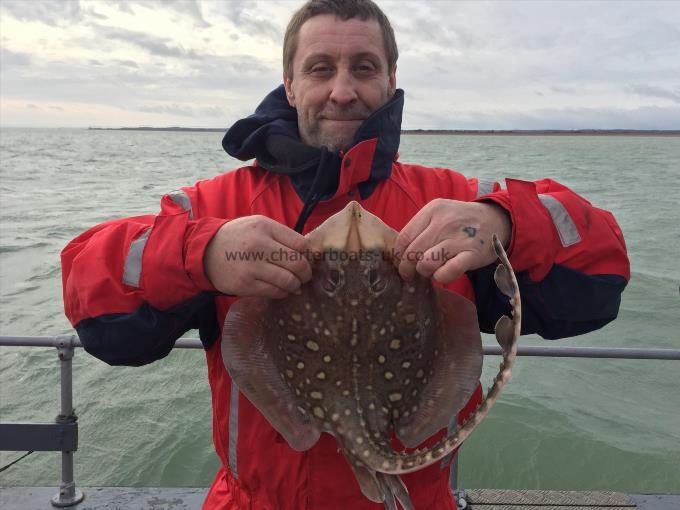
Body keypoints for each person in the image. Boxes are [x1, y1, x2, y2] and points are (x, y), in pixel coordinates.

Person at [60, 0, 630, 508]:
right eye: (320, 69)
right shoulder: (215, 207)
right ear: (289, 84)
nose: (342, 90)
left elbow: (600, 277)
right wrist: (198, 253)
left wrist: (504, 221)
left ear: (390, 79)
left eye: (363, 67)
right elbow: (99, 312)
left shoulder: (455, 202)